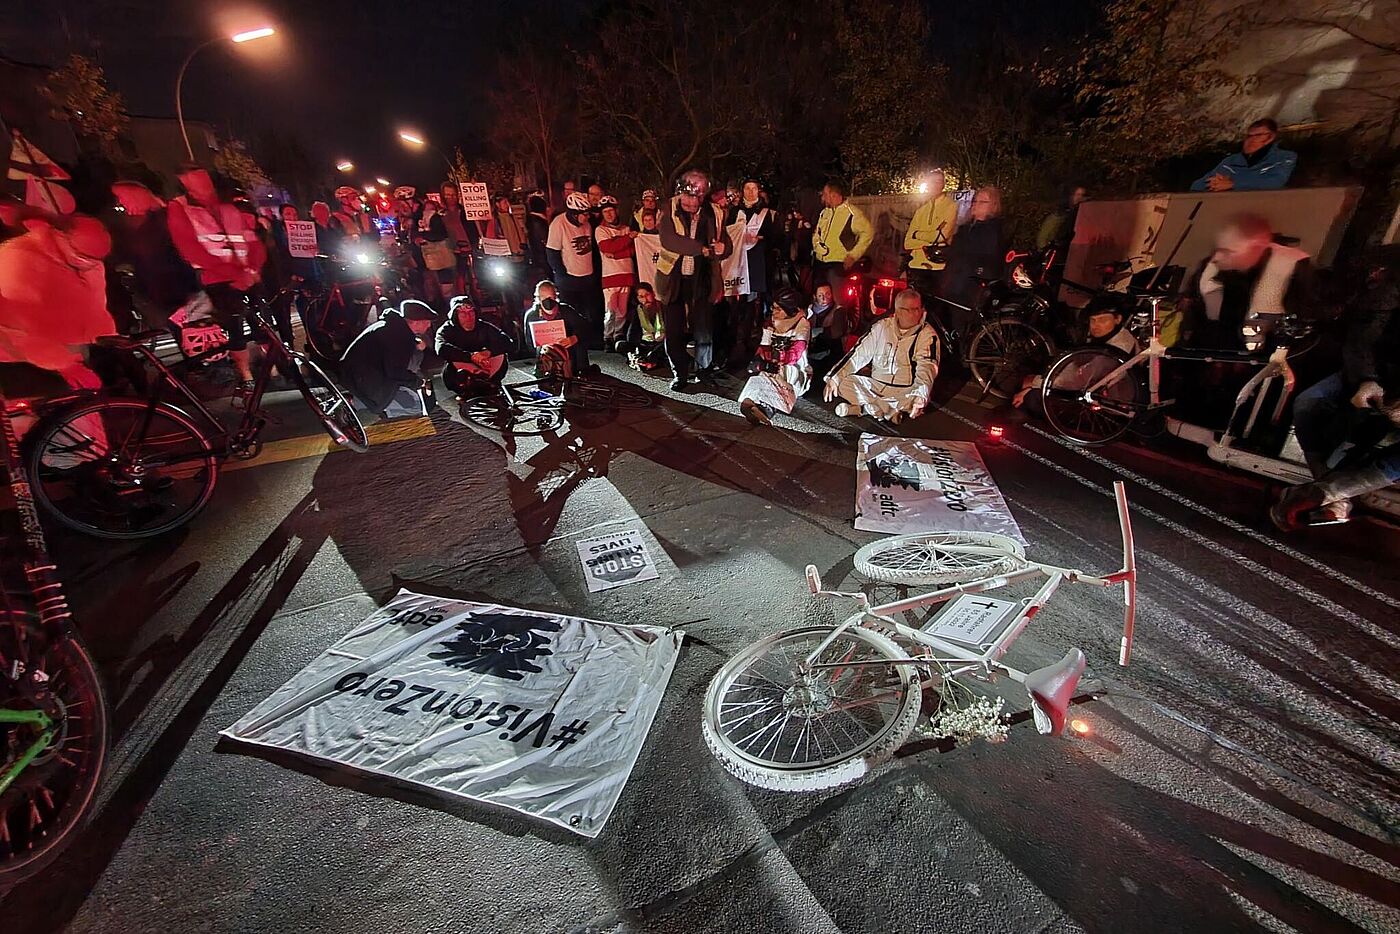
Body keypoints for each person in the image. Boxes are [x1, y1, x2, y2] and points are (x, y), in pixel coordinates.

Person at [1271, 246, 1399, 530]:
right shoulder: (1383, 270)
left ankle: (1327, 492)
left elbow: (1365, 331)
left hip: (1386, 381)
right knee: (1308, 402)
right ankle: (1330, 492)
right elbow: (1365, 334)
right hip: (1382, 370)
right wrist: (1367, 379)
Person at [166, 162, 267, 388]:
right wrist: (234, 274)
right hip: (218, 280)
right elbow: (191, 249)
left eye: (206, 179)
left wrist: (253, 268)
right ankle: (246, 376)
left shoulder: (227, 207)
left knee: (262, 321)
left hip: (246, 275)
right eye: (197, 181)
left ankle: (274, 368)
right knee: (235, 328)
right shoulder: (180, 208)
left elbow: (251, 240)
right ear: (186, 186)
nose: (205, 186)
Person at [0, 213, 118, 395]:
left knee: (84, 411)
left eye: (98, 259)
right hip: (27, 363)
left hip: (72, 355)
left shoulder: (87, 261)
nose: (92, 263)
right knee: (59, 417)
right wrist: (62, 363)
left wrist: (109, 338)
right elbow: (18, 328)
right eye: (83, 255)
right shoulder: (19, 259)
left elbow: (94, 307)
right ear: (60, 237)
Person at [1181, 214, 1312, 352]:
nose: (1218, 257)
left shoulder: (1292, 267)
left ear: (1255, 247)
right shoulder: (1211, 268)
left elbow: (1306, 319)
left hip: (1269, 354)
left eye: (1228, 251)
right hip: (1215, 350)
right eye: (1219, 249)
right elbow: (1195, 314)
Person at [655, 169, 731, 391]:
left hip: (703, 277)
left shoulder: (716, 213)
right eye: (685, 197)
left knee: (704, 329)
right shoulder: (669, 207)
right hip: (673, 278)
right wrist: (703, 249)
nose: (687, 203)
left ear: (702, 196)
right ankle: (680, 373)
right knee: (674, 330)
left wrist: (723, 248)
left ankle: (703, 370)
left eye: (693, 199)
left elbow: (725, 243)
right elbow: (669, 240)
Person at [1011, 295, 1141, 417]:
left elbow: (1079, 379)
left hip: (1109, 405)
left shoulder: (1118, 347)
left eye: (1103, 320)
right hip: (1091, 390)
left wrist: (1036, 384)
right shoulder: (1109, 336)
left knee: (1031, 398)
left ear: (1117, 319)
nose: (1096, 326)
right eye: (1093, 320)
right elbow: (1077, 363)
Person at [823, 287, 938, 424]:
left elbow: (927, 367)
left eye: (917, 309)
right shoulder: (881, 327)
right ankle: (887, 411)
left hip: (903, 391)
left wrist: (920, 394)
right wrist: (834, 378)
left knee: (916, 398)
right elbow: (858, 354)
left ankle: (865, 409)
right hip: (876, 386)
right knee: (844, 383)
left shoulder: (927, 334)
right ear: (898, 311)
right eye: (908, 310)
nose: (914, 314)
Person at [109, 180, 199, 329]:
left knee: (197, 337)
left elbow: (178, 252)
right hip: (163, 292)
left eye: (122, 198)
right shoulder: (138, 225)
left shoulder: (161, 220)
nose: (120, 203)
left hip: (177, 290)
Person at [340, 298, 435, 419]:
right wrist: (418, 382)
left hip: (361, 371)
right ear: (415, 322)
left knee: (415, 358)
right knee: (414, 405)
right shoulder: (397, 337)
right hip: (363, 378)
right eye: (426, 321)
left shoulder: (393, 327)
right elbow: (395, 372)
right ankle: (352, 402)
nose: (429, 325)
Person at [940, 186, 1007, 340]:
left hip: (970, 286)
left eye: (983, 201)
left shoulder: (992, 230)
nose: (976, 204)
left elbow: (984, 258)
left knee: (965, 326)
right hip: (955, 282)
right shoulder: (966, 228)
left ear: (993, 206)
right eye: (975, 200)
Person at [739, 289, 811, 427]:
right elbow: (764, 345)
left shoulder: (802, 324)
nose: (774, 312)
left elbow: (795, 353)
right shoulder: (770, 322)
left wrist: (775, 357)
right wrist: (759, 360)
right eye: (773, 308)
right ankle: (753, 403)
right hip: (774, 363)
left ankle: (768, 408)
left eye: (779, 309)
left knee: (784, 370)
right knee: (763, 373)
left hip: (795, 370)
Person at [729, 179, 778, 368]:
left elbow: (775, 237)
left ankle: (748, 341)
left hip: (756, 262)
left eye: (753, 188)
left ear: (758, 191)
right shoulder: (735, 212)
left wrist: (761, 238)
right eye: (747, 188)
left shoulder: (766, 213)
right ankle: (734, 339)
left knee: (751, 303)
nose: (750, 192)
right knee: (735, 304)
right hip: (736, 263)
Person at [545, 191, 599, 342]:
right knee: (572, 313)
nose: (587, 217)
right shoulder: (558, 224)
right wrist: (563, 274)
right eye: (584, 214)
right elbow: (552, 253)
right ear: (575, 214)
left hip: (587, 276)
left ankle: (591, 340)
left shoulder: (586, 223)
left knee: (591, 311)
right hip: (569, 279)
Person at [435, 294, 511, 400]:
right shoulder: (446, 330)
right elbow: (441, 348)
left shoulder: (484, 327)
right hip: (462, 372)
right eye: (463, 314)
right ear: (455, 315)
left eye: (471, 312)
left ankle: (489, 384)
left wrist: (488, 352)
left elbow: (506, 341)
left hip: (489, 369)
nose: (469, 317)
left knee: (501, 355)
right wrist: (471, 356)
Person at [1192, 118, 1298, 192]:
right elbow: (1197, 186)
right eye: (1249, 136)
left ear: (1271, 137)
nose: (1251, 140)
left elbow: (1274, 183)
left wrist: (1233, 184)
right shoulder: (1231, 162)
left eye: (1258, 135)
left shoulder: (1284, 158)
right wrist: (1213, 184)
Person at [904, 169, 957, 305]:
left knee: (935, 309)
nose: (935, 185)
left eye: (938, 181)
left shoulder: (950, 206)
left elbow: (941, 236)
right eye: (932, 182)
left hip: (937, 268)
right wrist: (925, 242)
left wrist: (918, 235)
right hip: (916, 267)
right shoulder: (921, 210)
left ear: (943, 184)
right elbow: (907, 242)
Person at [811, 179, 873, 294]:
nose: (823, 198)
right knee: (820, 298)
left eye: (825, 195)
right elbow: (816, 233)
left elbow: (868, 233)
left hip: (838, 265)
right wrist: (818, 247)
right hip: (820, 263)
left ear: (833, 195)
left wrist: (853, 256)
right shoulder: (824, 212)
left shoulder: (852, 213)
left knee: (837, 299)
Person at [522, 280, 591, 378]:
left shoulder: (565, 310)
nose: (549, 301)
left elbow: (585, 327)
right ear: (538, 298)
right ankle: (545, 371)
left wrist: (574, 338)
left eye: (551, 297)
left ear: (556, 296)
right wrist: (543, 346)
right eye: (545, 298)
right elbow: (529, 342)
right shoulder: (532, 315)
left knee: (579, 344)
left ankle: (580, 371)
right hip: (546, 354)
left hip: (568, 350)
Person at [594, 196, 637, 350]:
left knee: (623, 309)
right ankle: (608, 336)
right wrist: (625, 241)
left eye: (611, 211)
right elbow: (607, 248)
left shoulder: (626, 228)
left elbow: (631, 251)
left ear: (616, 211)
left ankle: (618, 334)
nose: (609, 215)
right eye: (605, 212)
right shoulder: (600, 230)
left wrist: (618, 252)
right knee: (610, 310)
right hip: (610, 275)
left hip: (626, 273)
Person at [415, 196, 455, 310]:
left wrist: (423, 236)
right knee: (433, 281)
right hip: (429, 256)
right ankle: (439, 304)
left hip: (441, 256)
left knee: (445, 281)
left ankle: (447, 305)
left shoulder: (438, 218)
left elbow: (440, 234)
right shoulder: (420, 219)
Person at [439, 181, 478, 296]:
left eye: (453, 194)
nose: (451, 198)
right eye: (448, 195)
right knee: (458, 277)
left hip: (470, 247)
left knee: (474, 277)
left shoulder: (465, 211)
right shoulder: (440, 213)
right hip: (451, 250)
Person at [621, 283, 666, 373]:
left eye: (647, 295)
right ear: (637, 299)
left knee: (666, 348)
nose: (645, 299)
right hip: (645, 343)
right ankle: (646, 360)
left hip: (662, 343)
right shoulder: (637, 311)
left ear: (653, 294)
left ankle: (652, 360)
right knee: (620, 345)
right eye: (641, 297)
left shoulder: (663, 307)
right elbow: (632, 333)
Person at [525, 190, 551, 272]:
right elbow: (545, 240)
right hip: (543, 258)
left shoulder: (533, 220)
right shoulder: (538, 222)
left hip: (539, 257)